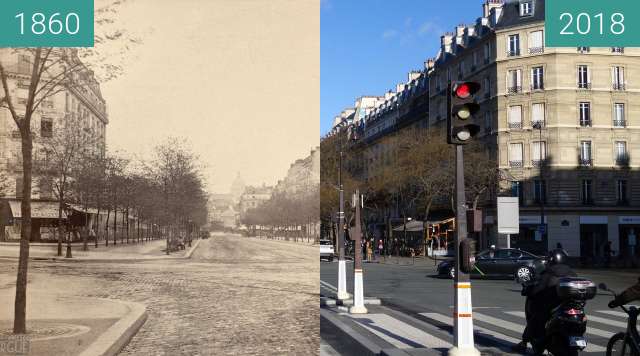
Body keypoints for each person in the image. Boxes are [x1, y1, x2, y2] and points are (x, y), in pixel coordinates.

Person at [513, 249, 576, 354]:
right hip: (569, 305)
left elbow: (537, 289)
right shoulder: (572, 272)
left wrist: (528, 290)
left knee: (535, 318)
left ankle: (532, 343)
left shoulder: (549, 273)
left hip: (551, 305)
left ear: (551, 260)